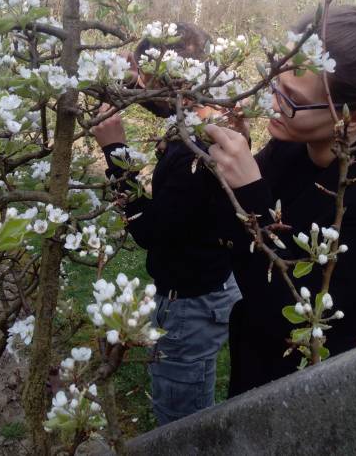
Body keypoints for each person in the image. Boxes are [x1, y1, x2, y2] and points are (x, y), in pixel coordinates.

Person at [205, 0, 356, 396]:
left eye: (290, 99)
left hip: (307, 390)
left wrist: (249, 193)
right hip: (252, 363)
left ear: (351, 119)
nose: (273, 103)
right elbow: (231, 233)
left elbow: (295, 314)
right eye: (274, 82)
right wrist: (232, 168)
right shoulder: (291, 147)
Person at [92, 22, 242, 425]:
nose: (137, 83)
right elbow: (157, 98)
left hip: (191, 303)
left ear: (174, 80)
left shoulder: (193, 154)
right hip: (211, 286)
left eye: (143, 75)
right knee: (197, 386)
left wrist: (115, 151)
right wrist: (124, 73)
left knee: (179, 413)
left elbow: (149, 230)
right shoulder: (207, 125)